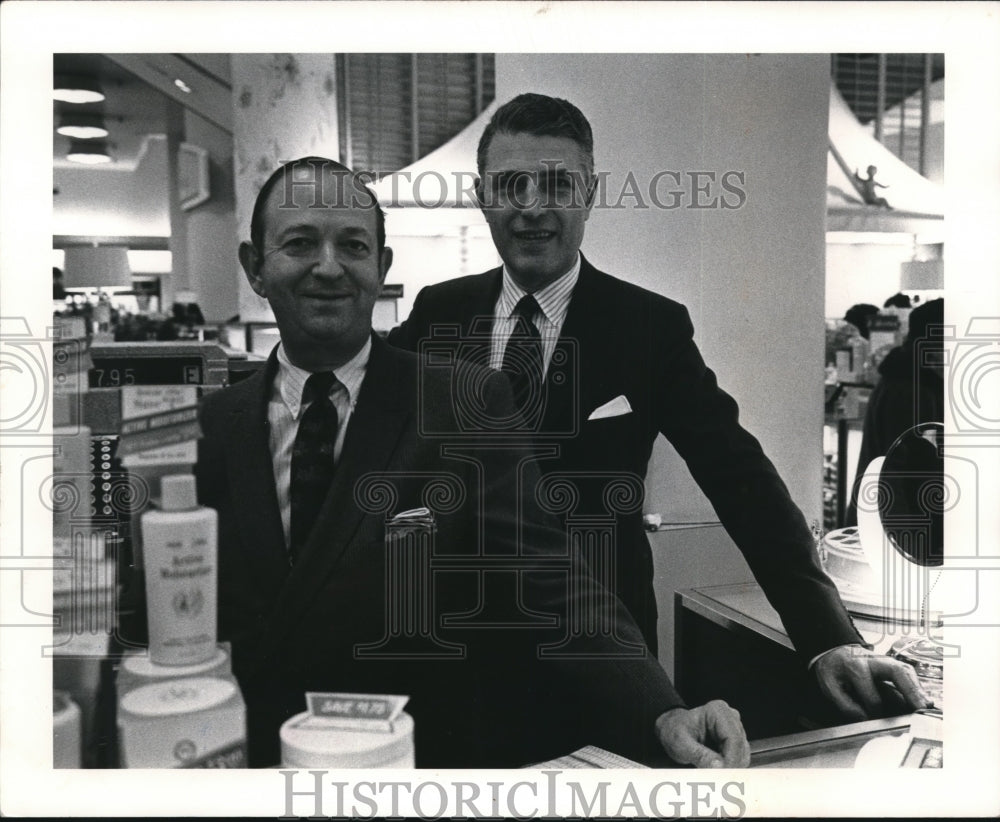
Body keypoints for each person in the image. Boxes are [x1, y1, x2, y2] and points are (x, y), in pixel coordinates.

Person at [388, 93, 931, 723]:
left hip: (608, 664)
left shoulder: (648, 326)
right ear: (483, 196)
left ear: (589, 194)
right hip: (458, 657)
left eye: (559, 184)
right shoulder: (437, 312)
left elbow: (741, 478)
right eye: (512, 185)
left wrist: (829, 636)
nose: (534, 206)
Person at [195, 156, 751, 769]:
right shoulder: (214, 427)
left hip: (414, 770)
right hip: (244, 762)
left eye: (353, 245)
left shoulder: (462, 401)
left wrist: (662, 709)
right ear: (255, 268)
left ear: (380, 269)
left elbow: (553, 578)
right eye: (300, 242)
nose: (329, 266)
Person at [846, 298, 945, 526]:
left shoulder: (907, 379)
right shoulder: (912, 390)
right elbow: (907, 479)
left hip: (886, 527)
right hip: (898, 536)